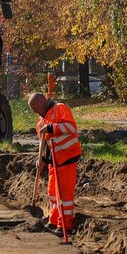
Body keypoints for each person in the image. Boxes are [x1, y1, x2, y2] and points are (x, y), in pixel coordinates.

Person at [28, 92, 82, 236]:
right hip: (54, 161)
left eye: (34, 108)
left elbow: (71, 128)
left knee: (64, 195)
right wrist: (42, 159)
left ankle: (65, 225)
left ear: (41, 104)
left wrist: (52, 128)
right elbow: (43, 143)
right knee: (52, 193)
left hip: (66, 159)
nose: (34, 112)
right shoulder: (41, 121)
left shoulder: (60, 108)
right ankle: (53, 220)